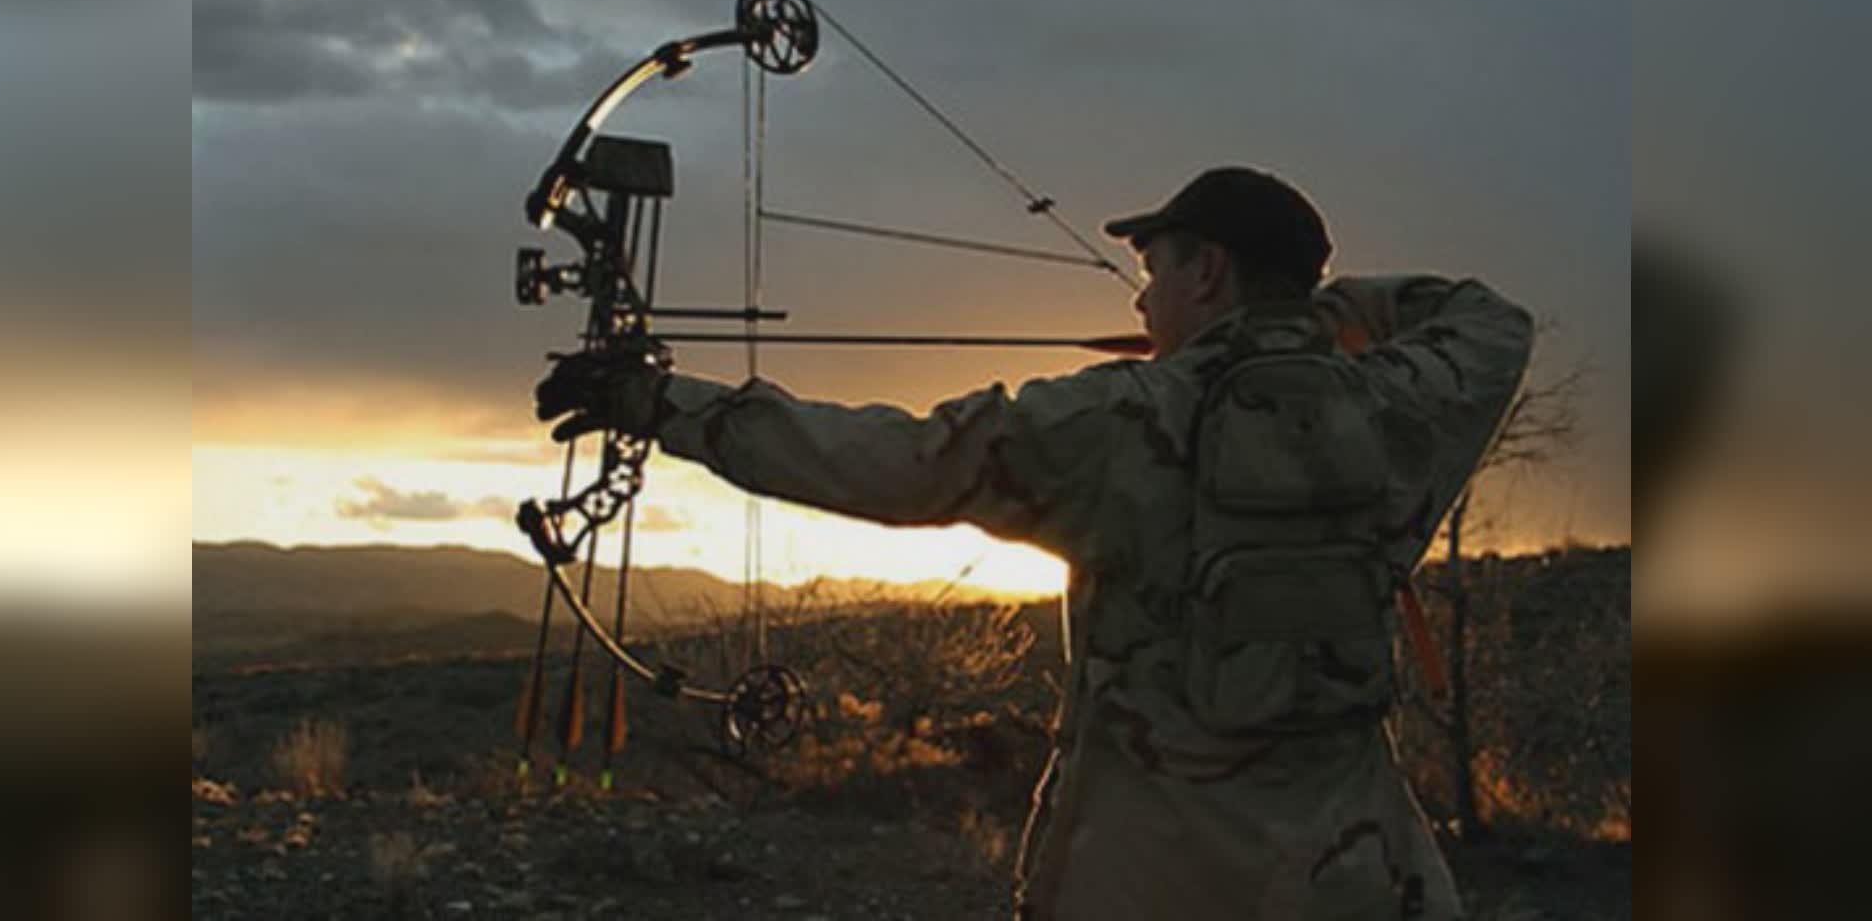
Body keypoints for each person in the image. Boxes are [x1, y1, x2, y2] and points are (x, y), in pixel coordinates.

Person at [536, 166, 1534, 919]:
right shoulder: (1401, 405)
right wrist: (1308, 321)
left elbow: (898, 462)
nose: (1140, 300)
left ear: (1209, 270)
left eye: (1154, 270)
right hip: (1361, 879)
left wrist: (660, 405)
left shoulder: (1122, 420)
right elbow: (1489, 317)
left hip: (1154, 879)